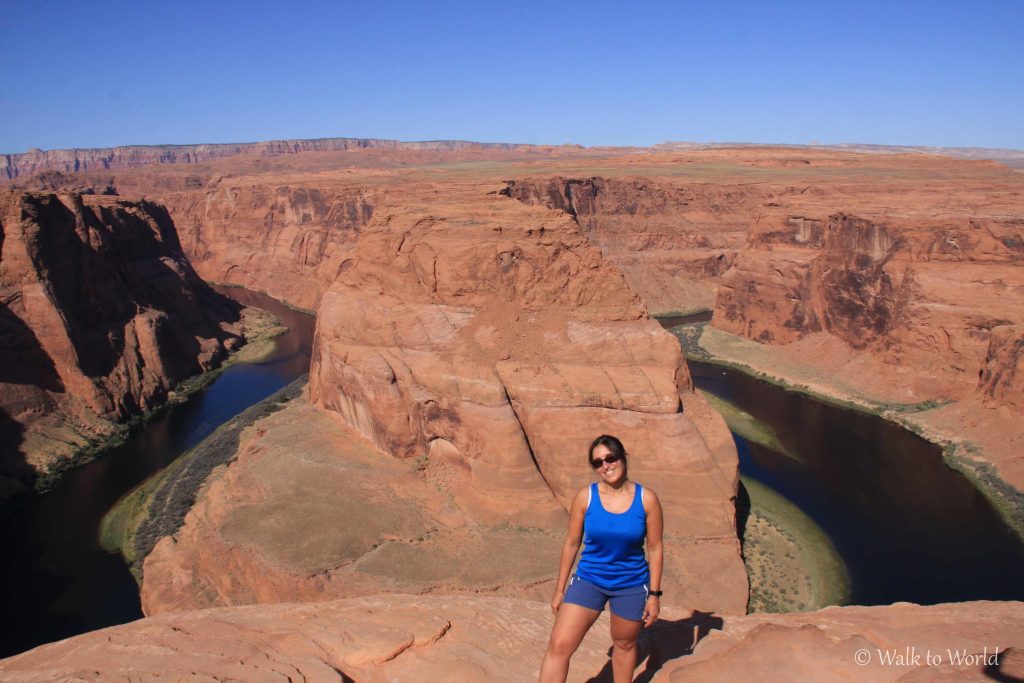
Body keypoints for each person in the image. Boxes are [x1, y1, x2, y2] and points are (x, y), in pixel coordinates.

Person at [538, 434, 664, 683]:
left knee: (625, 644)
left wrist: (654, 595)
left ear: (623, 457)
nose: (606, 466)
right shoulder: (585, 498)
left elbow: (656, 548)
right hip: (589, 580)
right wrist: (560, 589)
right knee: (560, 646)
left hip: (630, 584)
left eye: (611, 458)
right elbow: (572, 543)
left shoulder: (646, 499)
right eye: (598, 463)